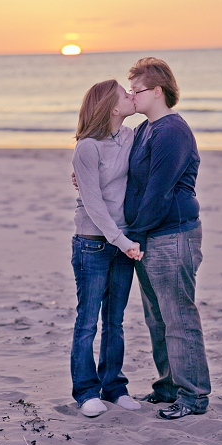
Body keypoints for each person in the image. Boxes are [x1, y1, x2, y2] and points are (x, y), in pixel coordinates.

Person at [123, 57, 211, 420]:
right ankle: (169, 386)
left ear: (157, 91)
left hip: (171, 234)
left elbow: (158, 191)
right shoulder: (146, 129)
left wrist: (133, 236)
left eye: (136, 90)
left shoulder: (171, 131)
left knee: (178, 317)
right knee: (158, 318)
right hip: (150, 235)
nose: (131, 96)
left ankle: (193, 396)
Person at [70, 79, 144, 418]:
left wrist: (126, 240)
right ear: (113, 108)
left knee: (115, 322)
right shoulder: (87, 148)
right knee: (88, 322)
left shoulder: (132, 137)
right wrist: (122, 241)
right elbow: (94, 203)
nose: (132, 97)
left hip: (123, 242)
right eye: (125, 95)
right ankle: (86, 391)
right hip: (93, 243)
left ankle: (114, 387)